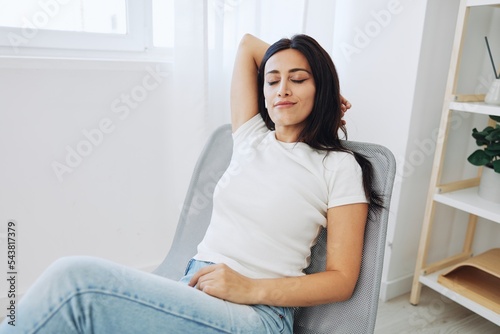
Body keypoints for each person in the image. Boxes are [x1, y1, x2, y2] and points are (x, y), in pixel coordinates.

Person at [0, 34, 381, 334]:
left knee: (77, 282)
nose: (282, 89)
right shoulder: (251, 137)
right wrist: (298, 65)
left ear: (321, 89)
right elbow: (248, 44)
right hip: (194, 287)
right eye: (272, 80)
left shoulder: (338, 166)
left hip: (257, 314)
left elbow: (342, 280)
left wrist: (251, 288)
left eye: (299, 79)